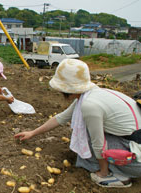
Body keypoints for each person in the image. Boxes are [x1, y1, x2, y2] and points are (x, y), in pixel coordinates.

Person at [15, 59, 141, 188]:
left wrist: (103, 173)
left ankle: (116, 176)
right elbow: (61, 118)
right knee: (85, 135)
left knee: (86, 139)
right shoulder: (91, 94)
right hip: (133, 143)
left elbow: (98, 143)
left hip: (136, 158)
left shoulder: (90, 105)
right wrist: (32, 133)